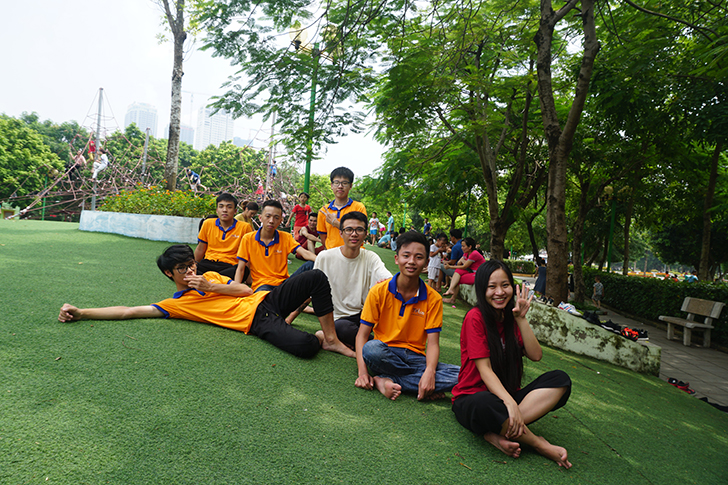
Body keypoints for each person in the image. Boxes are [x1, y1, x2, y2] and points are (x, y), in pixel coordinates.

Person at [58, 245, 354, 359]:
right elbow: (129, 311)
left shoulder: (209, 275)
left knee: (314, 276)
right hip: (256, 322)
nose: (190, 271)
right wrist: (82, 312)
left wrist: (211, 285)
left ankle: (331, 337)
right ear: (169, 273)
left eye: (191, 264)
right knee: (306, 347)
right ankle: (320, 338)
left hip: (267, 299)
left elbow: (245, 290)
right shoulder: (176, 304)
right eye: (182, 269)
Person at [451, 260, 572, 468]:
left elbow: (536, 355)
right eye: (492, 286)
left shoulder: (511, 317)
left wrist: (521, 319)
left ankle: (497, 430)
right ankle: (537, 443)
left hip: (507, 397)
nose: (499, 292)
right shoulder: (475, 318)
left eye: (505, 285)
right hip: (473, 398)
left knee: (561, 379)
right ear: (482, 289)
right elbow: (484, 370)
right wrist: (510, 404)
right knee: (484, 403)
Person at [354, 231, 460, 401]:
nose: (411, 261)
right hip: (385, 352)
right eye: (406, 255)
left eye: (418, 257)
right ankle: (419, 382)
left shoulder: (433, 298)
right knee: (371, 349)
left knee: (463, 375)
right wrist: (362, 373)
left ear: (426, 262)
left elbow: (433, 343)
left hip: (415, 357)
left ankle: (387, 380)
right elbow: (362, 335)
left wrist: (430, 372)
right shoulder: (378, 291)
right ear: (397, 259)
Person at [314, 211, 392, 348]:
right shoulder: (325, 257)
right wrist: (289, 319)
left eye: (359, 230)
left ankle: (353, 344)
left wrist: (384, 284)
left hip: (364, 316)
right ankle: (380, 347)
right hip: (337, 319)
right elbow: (311, 290)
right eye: (349, 229)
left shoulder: (370, 257)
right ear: (341, 232)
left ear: (366, 234)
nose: (354, 234)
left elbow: (388, 279)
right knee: (342, 328)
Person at [234, 199, 316, 292]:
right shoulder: (248, 238)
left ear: (281, 220)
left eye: (276, 218)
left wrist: (323, 260)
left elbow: (304, 253)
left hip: (284, 284)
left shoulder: (286, 237)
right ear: (260, 218)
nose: (271, 221)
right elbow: (240, 269)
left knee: (313, 264)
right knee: (266, 295)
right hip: (262, 285)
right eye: (268, 216)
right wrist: (235, 290)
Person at [194, 193, 252, 280]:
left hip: (230, 266)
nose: (224, 210)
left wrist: (249, 277)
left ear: (235, 211)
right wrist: (192, 266)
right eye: (221, 207)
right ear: (217, 210)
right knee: (185, 269)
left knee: (242, 270)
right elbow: (200, 249)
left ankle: (207, 280)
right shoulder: (208, 223)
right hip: (208, 263)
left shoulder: (245, 227)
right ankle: (218, 281)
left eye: (229, 207)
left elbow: (248, 254)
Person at [317, 167, 367, 250]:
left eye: (344, 183)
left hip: (354, 253)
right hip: (332, 253)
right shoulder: (324, 211)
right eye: (336, 183)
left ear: (350, 186)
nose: (340, 186)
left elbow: (359, 233)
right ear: (331, 185)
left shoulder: (359, 207)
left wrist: (335, 223)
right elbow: (323, 237)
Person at [443, 237, 485, 304]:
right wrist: (463, 261)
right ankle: (450, 290)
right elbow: (459, 263)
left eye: (463, 246)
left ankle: (452, 298)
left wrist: (449, 267)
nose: (462, 248)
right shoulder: (466, 253)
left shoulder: (474, 254)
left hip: (479, 275)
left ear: (470, 247)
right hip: (471, 271)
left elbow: (464, 266)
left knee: (458, 279)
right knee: (458, 271)